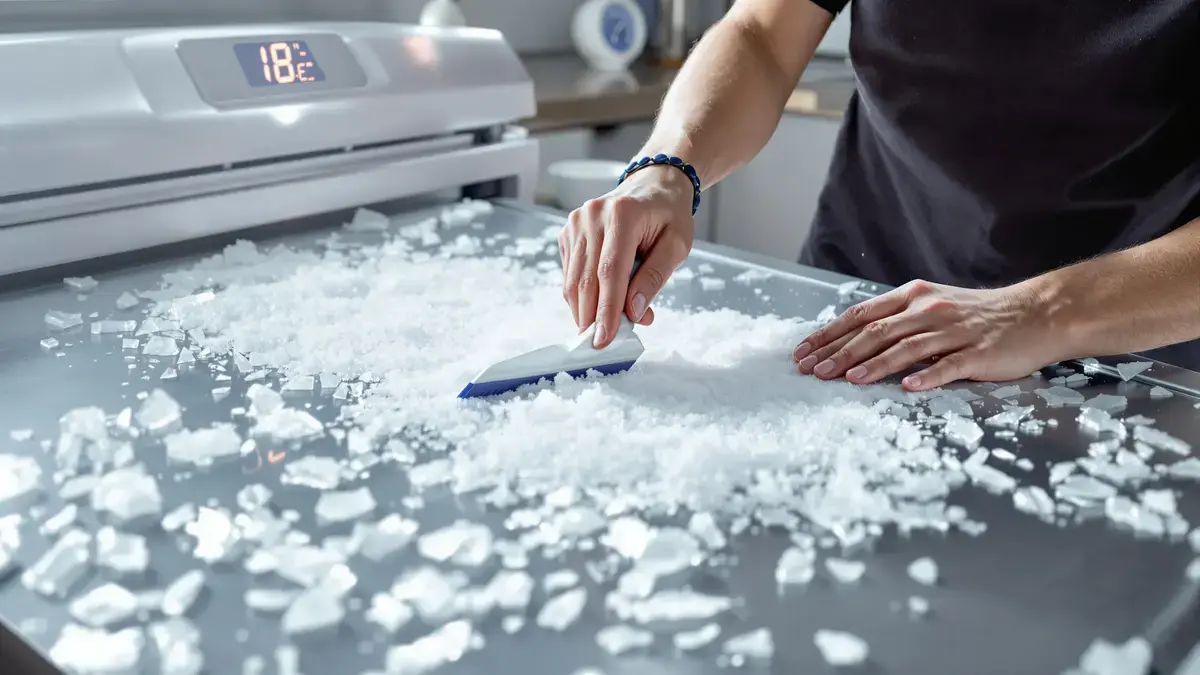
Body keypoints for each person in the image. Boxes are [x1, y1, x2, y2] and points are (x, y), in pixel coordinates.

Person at [557, 0, 1200, 391]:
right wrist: (669, 165)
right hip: (861, 311)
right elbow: (760, 35)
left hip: (1132, 346)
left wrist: (1043, 312)